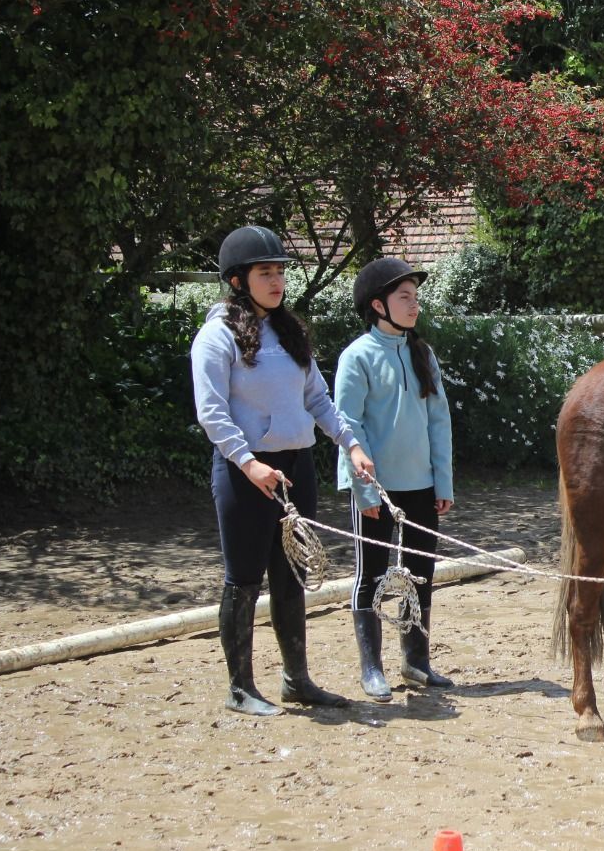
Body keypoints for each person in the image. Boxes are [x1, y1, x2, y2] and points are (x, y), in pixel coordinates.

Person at [192, 225, 376, 716]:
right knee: (244, 578)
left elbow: (317, 397)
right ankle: (240, 687)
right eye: (265, 272)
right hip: (245, 473)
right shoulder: (216, 337)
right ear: (237, 280)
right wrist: (249, 463)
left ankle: (297, 679)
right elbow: (212, 412)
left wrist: (351, 444)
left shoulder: (289, 331)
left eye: (279, 272)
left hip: (296, 468)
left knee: (292, 576)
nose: (276, 281)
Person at [335, 257, 456, 699]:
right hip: (377, 490)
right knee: (371, 574)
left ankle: (416, 660)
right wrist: (363, 487)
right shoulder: (357, 357)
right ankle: (372, 667)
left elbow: (438, 420)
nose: (414, 306)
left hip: (421, 485)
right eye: (404, 297)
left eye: (416, 298)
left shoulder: (422, 354)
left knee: (420, 572)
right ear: (378, 305)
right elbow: (348, 424)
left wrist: (442, 482)